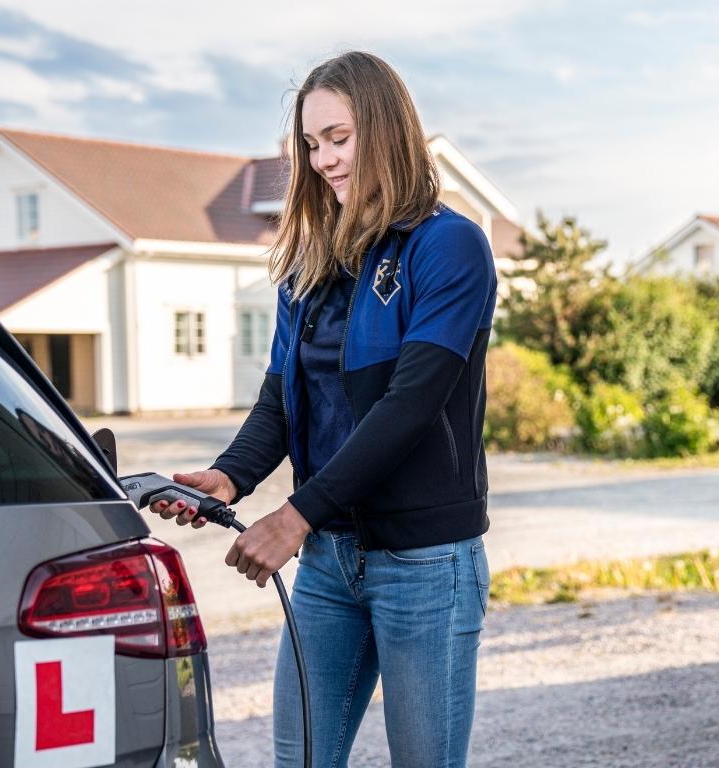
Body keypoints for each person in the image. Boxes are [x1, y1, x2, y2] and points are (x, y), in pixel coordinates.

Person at [150, 51, 497, 768]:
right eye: (310, 145)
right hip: (331, 564)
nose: (324, 161)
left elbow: (409, 406)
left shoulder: (450, 247)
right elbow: (283, 395)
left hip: (426, 564)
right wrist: (229, 476)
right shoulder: (309, 261)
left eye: (338, 138)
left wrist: (295, 513)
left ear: (386, 128)